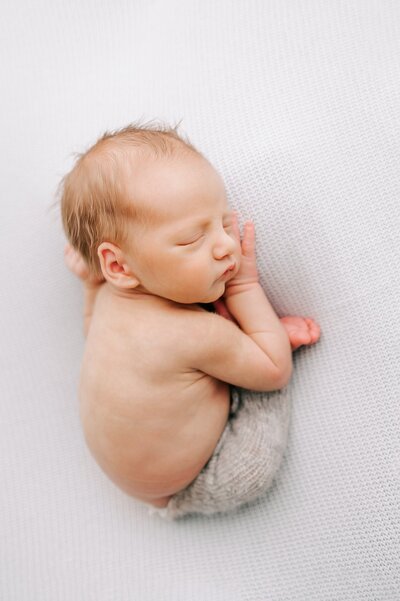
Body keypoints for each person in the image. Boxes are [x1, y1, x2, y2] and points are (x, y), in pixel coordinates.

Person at [60, 122, 320, 519]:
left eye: (224, 222)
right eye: (191, 240)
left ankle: (248, 342)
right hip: (199, 478)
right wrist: (245, 287)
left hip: (130, 470)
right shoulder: (192, 333)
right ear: (118, 265)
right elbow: (275, 370)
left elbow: (89, 331)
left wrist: (90, 285)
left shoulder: (112, 298)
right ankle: (257, 338)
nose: (227, 245)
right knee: (253, 466)